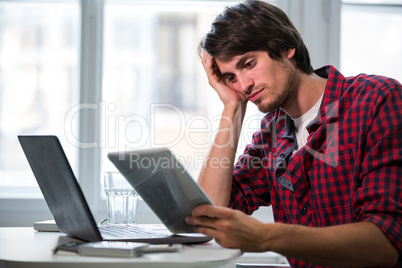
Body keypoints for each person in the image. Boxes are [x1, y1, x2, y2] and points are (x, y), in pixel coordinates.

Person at [184, 1, 401, 267]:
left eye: (249, 63)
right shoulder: (272, 131)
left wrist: (266, 236)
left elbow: (385, 244)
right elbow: (210, 215)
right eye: (231, 78)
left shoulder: (376, 99)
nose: (244, 85)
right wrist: (232, 107)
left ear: (286, 47)